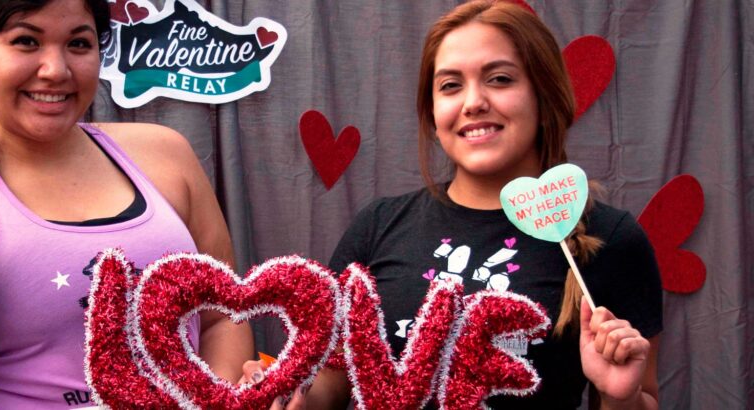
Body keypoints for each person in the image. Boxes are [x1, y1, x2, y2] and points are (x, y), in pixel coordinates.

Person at [243, 1, 661, 408]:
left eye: (499, 79)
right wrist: (280, 392)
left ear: (543, 95)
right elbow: (328, 387)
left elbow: (641, 397)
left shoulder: (612, 239)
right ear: (432, 111)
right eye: (450, 85)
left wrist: (620, 397)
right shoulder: (378, 226)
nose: (473, 102)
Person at [0, 0, 252, 407]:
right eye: (26, 41)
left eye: (79, 44)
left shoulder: (164, 155)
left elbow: (223, 316)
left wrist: (210, 402)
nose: (56, 70)